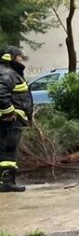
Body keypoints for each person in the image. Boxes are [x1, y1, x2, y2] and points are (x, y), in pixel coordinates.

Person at [0, 46, 33, 192]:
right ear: (10, 57)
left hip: (13, 119)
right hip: (10, 121)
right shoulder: (8, 73)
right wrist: (9, 113)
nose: (21, 59)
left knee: (6, 150)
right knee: (8, 151)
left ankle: (6, 181)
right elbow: (1, 93)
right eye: (19, 56)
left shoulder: (10, 72)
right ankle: (7, 182)